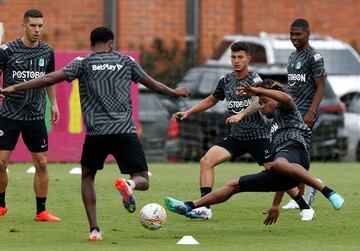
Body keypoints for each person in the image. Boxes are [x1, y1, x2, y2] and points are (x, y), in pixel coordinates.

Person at [0, 26, 189, 241]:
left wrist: (15, 88)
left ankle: (94, 230)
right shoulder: (126, 61)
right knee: (143, 179)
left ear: (91, 45)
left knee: (88, 177)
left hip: (96, 134)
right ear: (111, 43)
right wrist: (174, 92)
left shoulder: (82, 62)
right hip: (124, 131)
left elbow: (49, 78)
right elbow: (153, 84)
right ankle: (130, 184)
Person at [164, 79, 344, 225]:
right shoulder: (272, 126)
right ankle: (189, 206)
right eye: (261, 104)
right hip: (285, 165)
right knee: (234, 185)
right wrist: (275, 205)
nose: (262, 107)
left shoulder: (288, 109)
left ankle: (328, 192)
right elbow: (282, 180)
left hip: (298, 153)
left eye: (264, 103)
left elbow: (286, 98)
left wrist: (259, 91)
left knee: (279, 163)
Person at [172, 42, 273, 220]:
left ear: (248, 58)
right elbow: (211, 100)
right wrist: (188, 112)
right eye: (233, 57)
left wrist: (241, 114)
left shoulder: (255, 79)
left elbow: (258, 101)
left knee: (277, 173)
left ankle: (304, 203)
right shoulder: (226, 80)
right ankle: (204, 207)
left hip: (258, 137)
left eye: (240, 57)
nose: (236, 60)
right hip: (237, 137)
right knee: (206, 161)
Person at [0, 9, 60, 222]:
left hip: (35, 116)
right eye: (33, 25)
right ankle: (1, 205)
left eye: (40, 26)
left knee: (41, 163)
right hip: (8, 115)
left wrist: (53, 104)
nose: (37, 30)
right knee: (0, 162)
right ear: (23, 25)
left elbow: (49, 80)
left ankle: (41, 211)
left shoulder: (47, 51)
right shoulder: (7, 50)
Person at [282, 18, 327, 210]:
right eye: (291, 34)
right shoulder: (293, 56)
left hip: (305, 113)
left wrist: (311, 112)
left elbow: (321, 87)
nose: (294, 37)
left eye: (298, 34)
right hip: (292, 112)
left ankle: (303, 193)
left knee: (297, 153)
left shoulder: (314, 57)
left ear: (308, 33)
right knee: (293, 152)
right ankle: (302, 191)